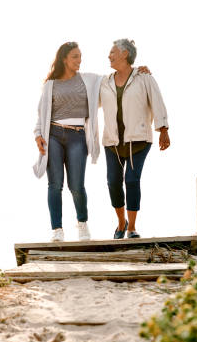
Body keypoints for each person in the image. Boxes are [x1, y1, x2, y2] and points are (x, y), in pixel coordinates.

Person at [33, 41, 150, 242]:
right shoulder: (50, 84)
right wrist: (38, 134)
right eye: (75, 57)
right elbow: (41, 112)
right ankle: (57, 229)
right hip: (53, 134)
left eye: (80, 56)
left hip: (77, 136)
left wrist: (138, 70)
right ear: (64, 59)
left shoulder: (90, 80)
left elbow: (119, 76)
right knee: (55, 184)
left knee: (77, 185)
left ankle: (82, 223)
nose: (79, 60)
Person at [99, 39, 170, 239]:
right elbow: (88, 100)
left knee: (131, 179)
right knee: (113, 182)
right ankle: (121, 222)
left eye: (112, 52)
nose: (109, 55)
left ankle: (132, 228)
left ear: (124, 54)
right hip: (112, 141)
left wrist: (163, 128)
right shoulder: (104, 82)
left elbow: (157, 100)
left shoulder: (144, 77)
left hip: (138, 140)